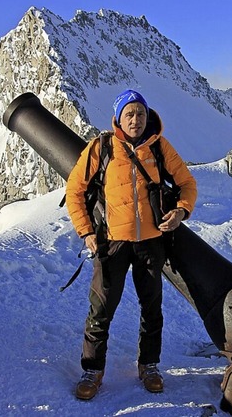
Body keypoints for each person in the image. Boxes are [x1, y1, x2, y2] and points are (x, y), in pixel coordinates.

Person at [65, 89, 197, 400]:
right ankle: (92, 371)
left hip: (151, 242)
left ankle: (149, 366)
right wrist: (86, 232)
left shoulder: (160, 147)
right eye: (129, 114)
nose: (136, 119)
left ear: (147, 115)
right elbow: (74, 191)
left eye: (140, 113)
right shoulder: (103, 147)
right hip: (112, 242)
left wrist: (181, 210)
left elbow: (187, 183)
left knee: (152, 308)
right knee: (101, 309)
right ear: (118, 119)